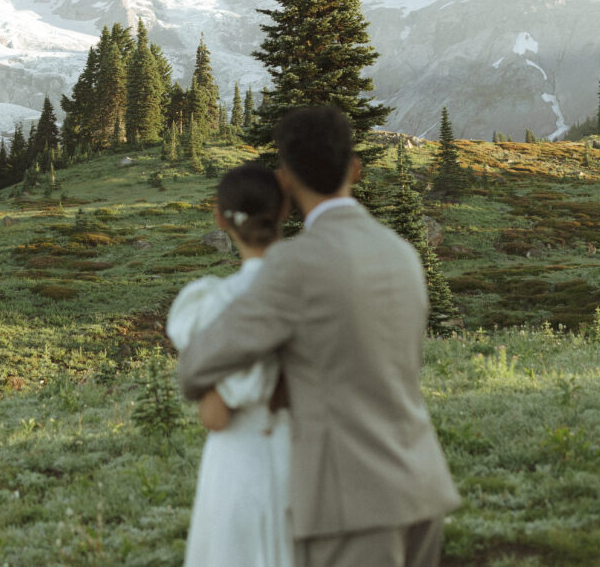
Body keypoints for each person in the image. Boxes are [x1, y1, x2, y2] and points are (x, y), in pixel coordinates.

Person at [178, 106, 461, 567]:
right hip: (421, 484)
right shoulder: (403, 254)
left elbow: (198, 364)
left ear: (284, 181)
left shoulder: (295, 264)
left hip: (349, 501)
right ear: (355, 168)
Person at [167, 162, 293, 567]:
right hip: (310, 459)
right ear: (284, 211)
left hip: (240, 462)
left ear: (220, 218)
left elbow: (216, 416)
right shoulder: (319, 291)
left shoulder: (214, 306)